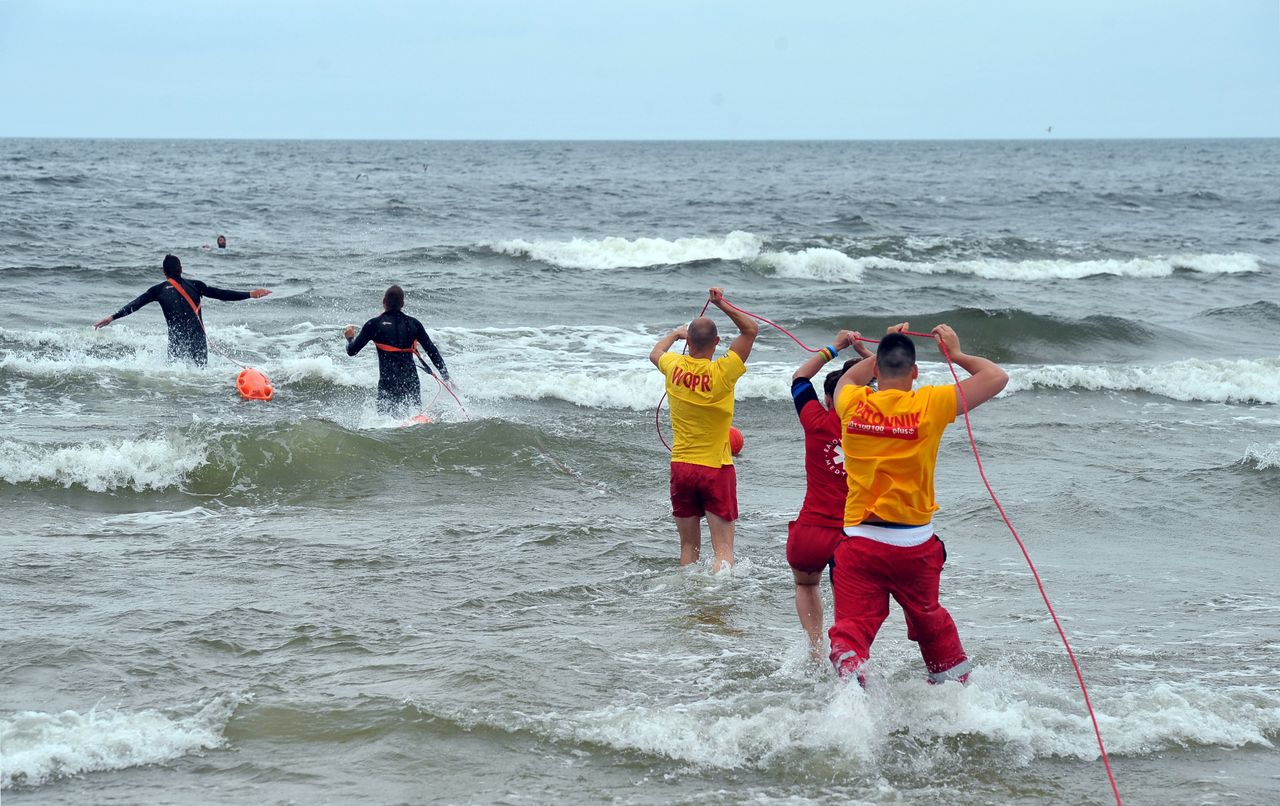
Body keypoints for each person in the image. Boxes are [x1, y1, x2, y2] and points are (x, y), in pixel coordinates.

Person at [827, 322, 1008, 685]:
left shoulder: (852, 403)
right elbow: (996, 376)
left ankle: (850, 678)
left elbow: (848, 382)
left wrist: (881, 349)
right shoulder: (932, 402)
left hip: (860, 541)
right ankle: (954, 691)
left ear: (877, 369)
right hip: (914, 545)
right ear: (915, 372)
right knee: (929, 620)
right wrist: (955, 354)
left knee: (852, 628)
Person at [648, 287, 759, 571]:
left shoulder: (673, 366)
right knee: (723, 549)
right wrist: (720, 303)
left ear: (689, 342)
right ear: (717, 342)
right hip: (715, 469)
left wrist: (675, 334)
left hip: (681, 467)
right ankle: (716, 600)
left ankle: (689, 600)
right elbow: (750, 330)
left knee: (688, 548)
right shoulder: (723, 372)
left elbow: (655, 353)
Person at [787, 330, 873, 657]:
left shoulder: (815, 420)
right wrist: (868, 353)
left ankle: (814, 648)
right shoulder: (876, 425)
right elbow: (901, 390)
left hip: (811, 528)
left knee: (806, 584)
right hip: (853, 533)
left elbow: (799, 376)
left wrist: (835, 347)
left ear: (828, 400)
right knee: (848, 601)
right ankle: (846, 652)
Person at [93, 254, 270, 365]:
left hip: (177, 342)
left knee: (178, 378)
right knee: (200, 375)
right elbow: (222, 294)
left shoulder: (158, 290)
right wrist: (250, 294)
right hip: (197, 341)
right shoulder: (196, 286)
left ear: (164, 272)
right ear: (181, 269)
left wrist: (113, 317)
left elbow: (136, 304)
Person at [344, 284, 449, 416]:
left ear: (384, 302)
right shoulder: (413, 324)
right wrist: (445, 376)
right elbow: (432, 351)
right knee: (414, 418)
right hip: (411, 381)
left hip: (388, 382)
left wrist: (350, 338)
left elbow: (351, 351)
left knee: (385, 423)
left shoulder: (374, 324)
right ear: (403, 304)